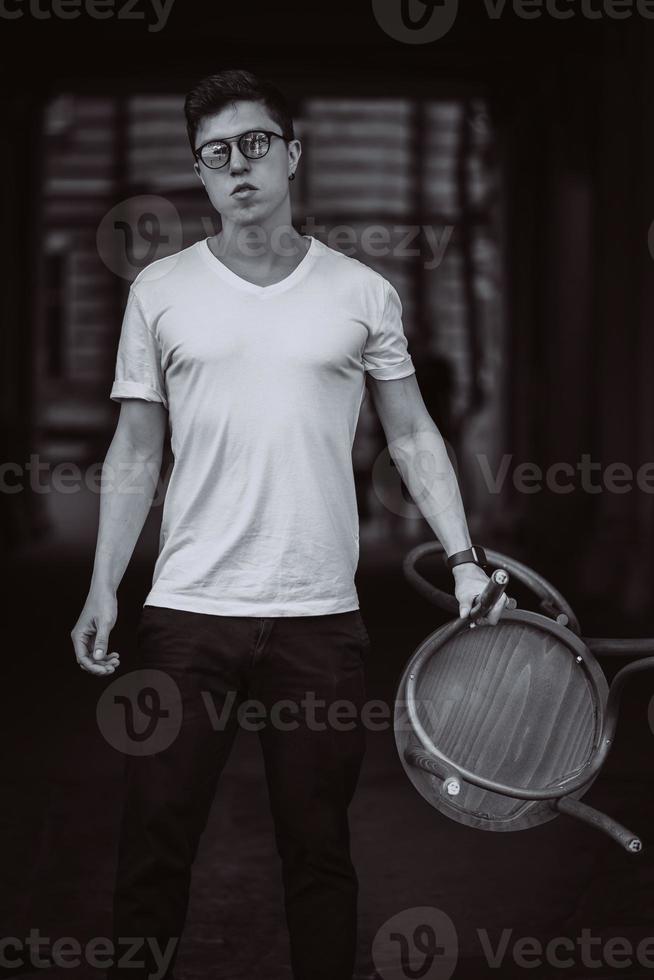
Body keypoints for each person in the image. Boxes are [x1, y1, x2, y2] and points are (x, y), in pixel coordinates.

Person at [70, 69, 509, 980]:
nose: (238, 166)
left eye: (256, 143)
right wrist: (104, 585)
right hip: (189, 614)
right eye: (217, 152)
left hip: (319, 620)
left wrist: (466, 560)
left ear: (292, 155)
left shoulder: (360, 293)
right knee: (154, 847)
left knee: (318, 853)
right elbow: (136, 447)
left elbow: (414, 433)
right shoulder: (160, 290)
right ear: (201, 172)